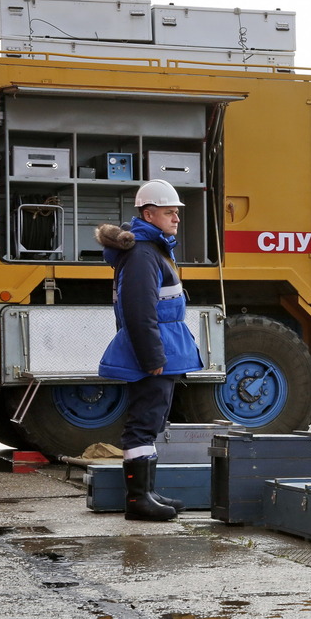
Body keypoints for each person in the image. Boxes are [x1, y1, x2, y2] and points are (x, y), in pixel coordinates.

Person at [96, 179, 203, 521]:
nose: (176, 219)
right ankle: (138, 500)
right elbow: (139, 310)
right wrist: (153, 357)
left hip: (163, 348)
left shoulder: (152, 248)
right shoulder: (143, 253)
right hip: (154, 353)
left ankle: (148, 493)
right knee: (143, 423)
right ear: (148, 213)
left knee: (152, 419)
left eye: (176, 212)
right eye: (170, 213)